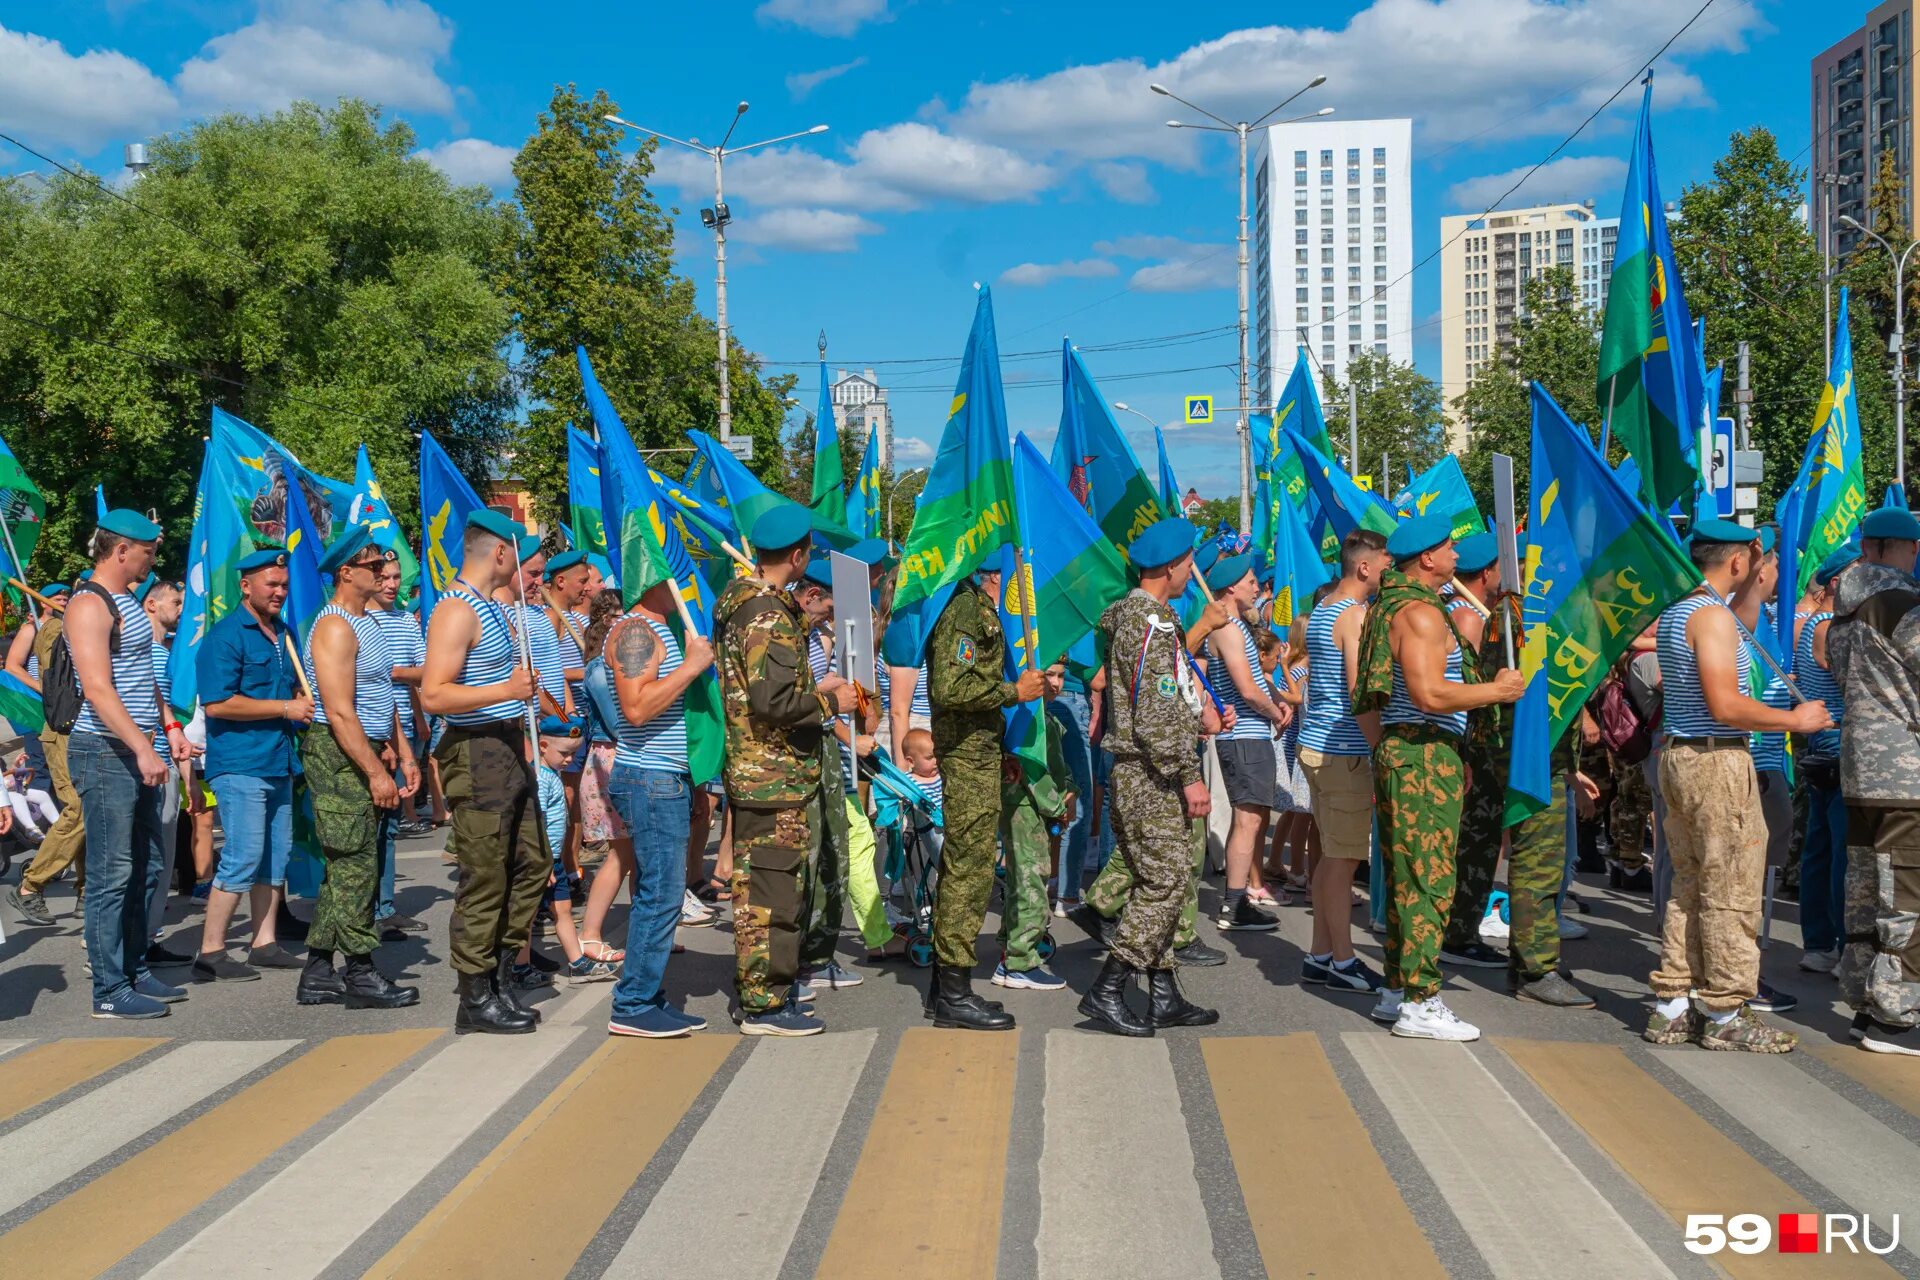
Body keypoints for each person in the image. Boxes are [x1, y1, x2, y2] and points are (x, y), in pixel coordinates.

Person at [1645, 518, 1830, 1052]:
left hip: (1681, 756)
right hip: (1714, 759)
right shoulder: (1711, 616)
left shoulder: (1684, 609)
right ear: (1737, 561)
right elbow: (1724, 704)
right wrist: (1797, 721)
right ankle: (1726, 1011)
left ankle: (1673, 1003)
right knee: (1731, 889)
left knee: (1689, 885)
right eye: (1756, 558)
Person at [1354, 514, 1525, 1042]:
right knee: (1429, 881)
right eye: (1449, 547)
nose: (1456, 555)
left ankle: (1396, 990)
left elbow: (1375, 702)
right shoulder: (1422, 614)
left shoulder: (1393, 607)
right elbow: (1429, 694)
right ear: (1426, 558)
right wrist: (1497, 691)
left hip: (1419, 751)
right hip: (1423, 752)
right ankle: (1421, 1001)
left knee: (1409, 877)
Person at [713, 506, 856, 1036]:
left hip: (760, 771)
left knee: (765, 886)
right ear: (797, 557)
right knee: (771, 892)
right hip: (771, 774)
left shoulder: (741, 601)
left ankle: (764, 991)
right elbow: (773, 700)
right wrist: (831, 702)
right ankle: (764, 1004)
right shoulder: (768, 613)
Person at [1078, 516, 1223, 1037]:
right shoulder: (1151, 624)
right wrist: (1190, 776)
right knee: (1164, 884)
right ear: (1168, 567)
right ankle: (1109, 988)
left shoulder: (1126, 616)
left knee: (1155, 878)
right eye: (1187, 564)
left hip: (1137, 768)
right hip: (1152, 774)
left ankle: (1162, 994)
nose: (1191, 573)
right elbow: (1155, 714)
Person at [421, 509, 545, 1036]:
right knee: (486, 876)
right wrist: (505, 692)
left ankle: (499, 975)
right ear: (500, 553)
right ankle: (475, 995)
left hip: (505, 746)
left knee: (531, 863)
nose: (524, 562)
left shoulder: (491, 607)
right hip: (475, 751)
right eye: (520, 552)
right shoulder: (456, 610)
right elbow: (434, 694)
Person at [65, 509, 191, 1018]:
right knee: (110, 873)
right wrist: (141, 747)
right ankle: (109, 990)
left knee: (147, 866)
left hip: (139, 749)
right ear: (122, 550)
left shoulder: (130, 604)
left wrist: (169, 729)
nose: (152, 560)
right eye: (148, 552)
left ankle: (135, 968)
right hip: (104, 752)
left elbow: (144, 675)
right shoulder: (88, 604)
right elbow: (97, 689)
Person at [291, 528, 419, 1010]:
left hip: (369, 745)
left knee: (350, 865)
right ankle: (361, 973)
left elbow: (379, 696)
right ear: (346, 573)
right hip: (340, 752)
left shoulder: (368, 622)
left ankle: (319, 971)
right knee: (355, 864)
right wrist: (374, 772)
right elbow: (340, 711)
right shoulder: (335, 627)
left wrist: (401, 751)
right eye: (371, 565)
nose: (382, 570)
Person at [924, 554, 1047, 1031]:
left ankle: (945, 989)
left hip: (980, 752)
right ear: (998, 575)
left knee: (969, 868)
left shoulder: (977, 609)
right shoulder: (966, 609)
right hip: (965, 756)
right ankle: (954, 992)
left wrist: (1001, 748)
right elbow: (951, 686)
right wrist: (1015, 692)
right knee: (969, 872)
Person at [601, 572, 712, 1037]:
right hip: (650, 776)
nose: (686, 585)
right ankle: (633, 1004)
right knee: (662, 895)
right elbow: (637, 709)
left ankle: (645, 993)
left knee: (661, 892)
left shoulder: (657, 628)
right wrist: (690, 667)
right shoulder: (634, 631)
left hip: (663, 777)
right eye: (675, 574)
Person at [1827, 506, 1920, 1055]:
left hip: (1860, 766)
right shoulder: (1902, 605)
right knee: (1908, 894)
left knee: (1865, 894)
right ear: (1897, 548)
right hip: (1906, 774)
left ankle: (1865, 1001)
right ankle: (1896, 1017)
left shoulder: (1847, 610)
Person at [195, 548, 309, 981]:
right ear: (246, 586)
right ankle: (210, 949)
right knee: (242, 856)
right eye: (271, 585)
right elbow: (219, 703)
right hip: (241, 763)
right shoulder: (225, 638)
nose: (280, 592)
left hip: (279, 761)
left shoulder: (283, 634)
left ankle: (264, 942)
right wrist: (285, 708)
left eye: (283, 585)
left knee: (275, 859)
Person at [1296, 529, 1389, 995]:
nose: (1389, 569)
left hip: (1318, 745)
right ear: (1364, 567)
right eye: (1386, 561)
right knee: (1342, 861)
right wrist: (1379, 748)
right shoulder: (1353, 615)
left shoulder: (1321, 609)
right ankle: (1344, 960)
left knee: (1331, 855)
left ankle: (1319, 954)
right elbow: (1361, 691)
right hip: (1345, 751)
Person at [1202, 550, 1291, 932]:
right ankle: (1235, 904)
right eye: (1251, 581)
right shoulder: (1230, 629)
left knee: (1252, 819)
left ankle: (1237, 901)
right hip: (1245, 736)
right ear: (1232, 586)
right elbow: (1247, 689)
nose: (1257, 588)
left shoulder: (1233, 627)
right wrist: (1276, 712)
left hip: (1247, 736)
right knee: (1248, 819)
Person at [1436, 532, 1510, 971]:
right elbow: (1464, 687)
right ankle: (1460, 931)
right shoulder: (1469, 616)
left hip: (1473, 744)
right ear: (1487, 572)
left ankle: (1460, 926)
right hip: (1474, 746)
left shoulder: (1468, 610)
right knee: (1476, 842)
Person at [8, 584, 85, 928]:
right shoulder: (43, 629)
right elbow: (13, 666)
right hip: (53, 720)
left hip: (79, 726)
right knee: (77, 808)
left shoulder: (72, 625)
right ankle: (31, 884)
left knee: (86, 811)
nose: (64, 601)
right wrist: (45, 691)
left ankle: (86, 890)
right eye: (58, 598)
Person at [994, 661, 1074, 991]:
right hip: (1027, 806)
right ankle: (1019, 961)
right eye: (1048, 675)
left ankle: (1010, 938)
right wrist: (1057, 808)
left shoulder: (1045, 716)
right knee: (1032, 878)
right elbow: (1035, 770)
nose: (1054, 683)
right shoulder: (1032, 719)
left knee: (1023, 876)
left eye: (1059, 676)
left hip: (1030, 805)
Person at [1794, 544, 1855, 976]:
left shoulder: (1822, 623)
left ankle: (1819, 942)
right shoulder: (1828, 627)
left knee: (1822, 846)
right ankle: (1834, 942)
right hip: (1837, 747)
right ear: (1837, 583)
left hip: (1825, 748)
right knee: (1841, 852)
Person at [141, 577, 196, 966]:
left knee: (162, 859)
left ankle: (148, 937)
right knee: (146, 860)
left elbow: (171, 717)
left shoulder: (169, 655)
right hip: (146, 768)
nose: (181, 609)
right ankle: (130, 943)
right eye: (176, 602)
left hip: (168, 765)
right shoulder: (139, 652)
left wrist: (185, 769)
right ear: (151, 605)